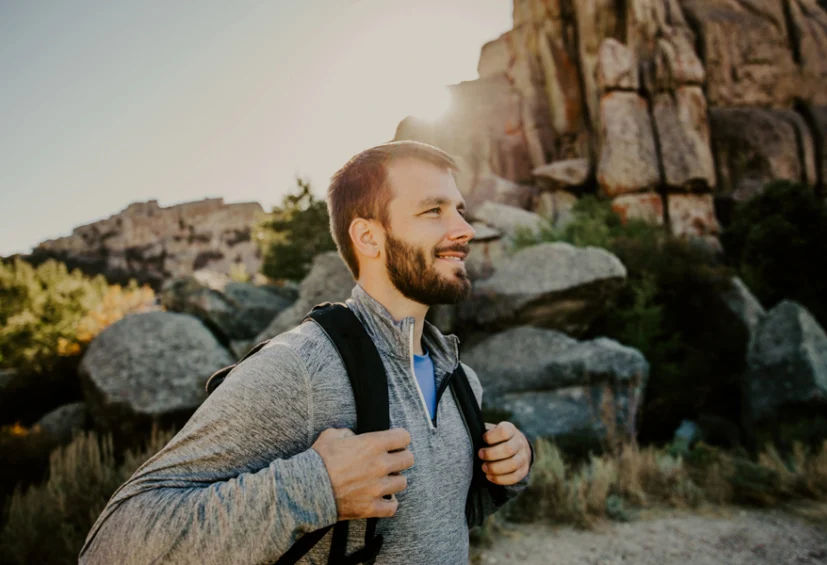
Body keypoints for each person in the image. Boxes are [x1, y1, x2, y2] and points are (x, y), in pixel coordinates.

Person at [79, 140, 534, 565]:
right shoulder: (302, 368)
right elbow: (111, 545)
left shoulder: (459, 377)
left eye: (459, 209)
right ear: (369, 238)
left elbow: (432, 527)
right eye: (433, 210)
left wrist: (513, 467)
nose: (464, 229)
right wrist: (317, 486)